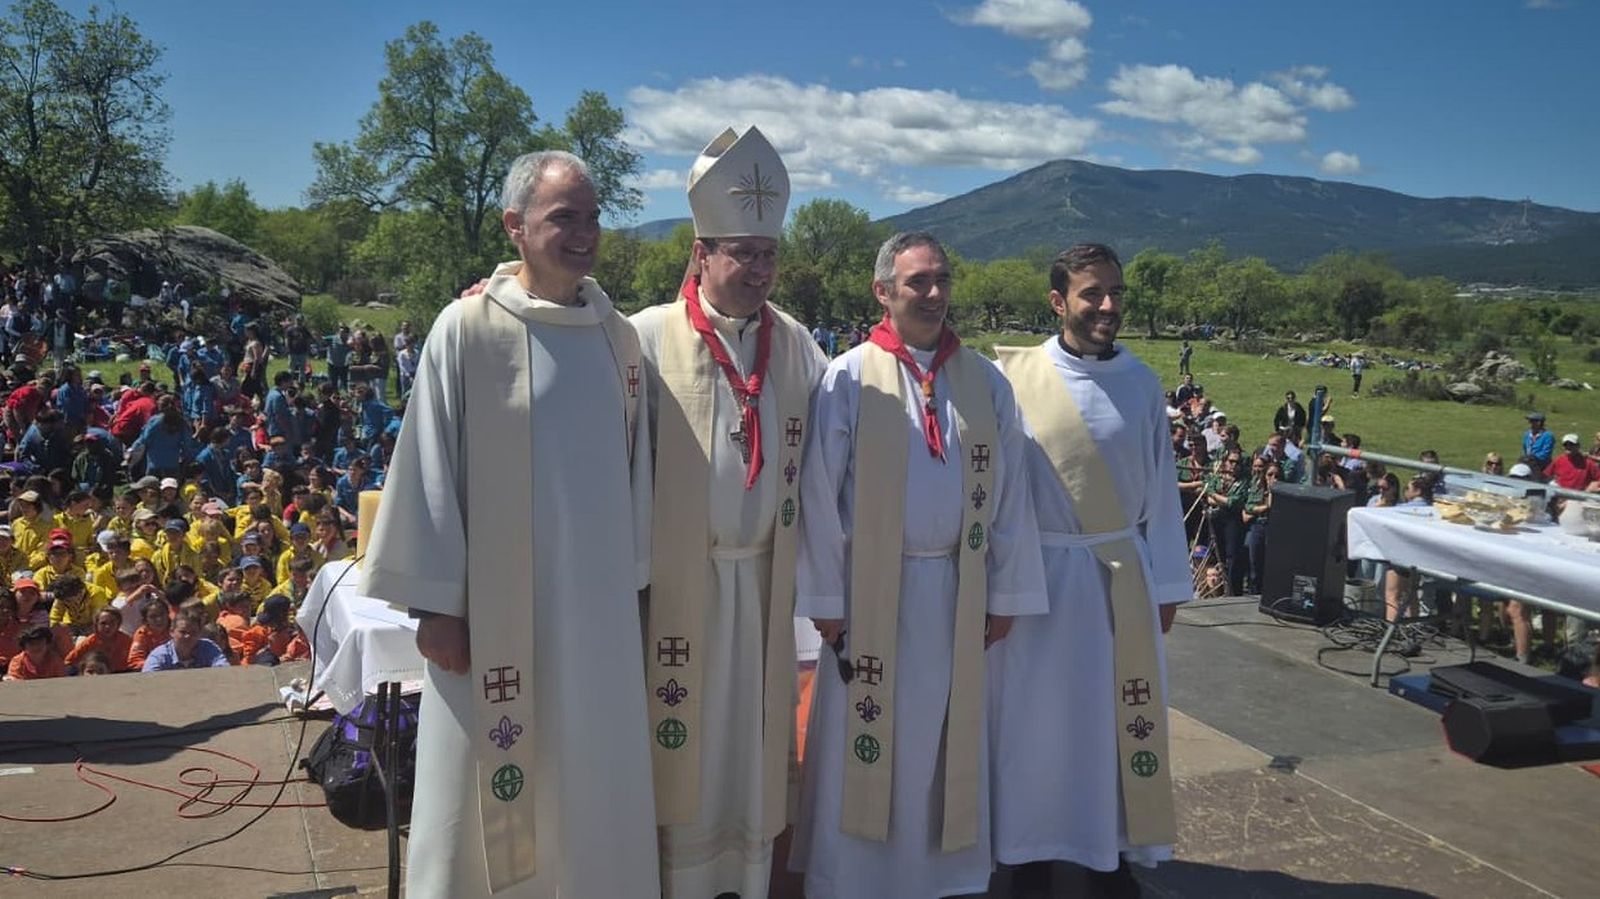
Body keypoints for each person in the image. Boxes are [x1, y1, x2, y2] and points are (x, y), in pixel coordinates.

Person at [359, 150, 658, 897]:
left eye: (592, 216)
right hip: (490, 625)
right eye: (565, 217)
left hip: (595, 624)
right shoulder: (467, 330)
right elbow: (427, 465)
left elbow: (636, 476)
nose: (584, 232)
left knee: (589, 790)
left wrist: (636, 587)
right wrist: (435, 607)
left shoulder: (618, 339)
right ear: (515, 226)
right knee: (486, 794)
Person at [790, 232, 1048, 898]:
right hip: (874, 595)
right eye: (917, 283)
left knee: (943, 740)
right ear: (883, 291)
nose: (934, 294)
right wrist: (827, 599)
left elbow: (1012, 494)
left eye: (941, 280)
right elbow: (819, 492)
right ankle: (854, 878)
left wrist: (1005, 592)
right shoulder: (849, 377)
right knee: (869, 741)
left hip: (958, 594)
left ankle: (942, 877)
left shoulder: (986, 381)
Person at [628, 125, 827, 899]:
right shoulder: (643, 337)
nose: (757, 269)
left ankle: (744, 883)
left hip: (764, 585)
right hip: (677, 589)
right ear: (701, 252)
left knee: (750, 750)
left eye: (768, 254)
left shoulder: (798, 344)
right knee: (681, 747)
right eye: (741, 252)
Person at [990, 243, 1191, 896]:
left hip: (1118, 582)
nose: (1108, 306)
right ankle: (1028, 850)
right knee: (1034, 727)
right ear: (1057, 302)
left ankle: (1111, 847)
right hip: (1039, 578)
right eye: (1091, 293)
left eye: (1116, 292)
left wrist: (1166, 585)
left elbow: (1163, 493)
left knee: (1112, 724)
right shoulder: (1015, 377)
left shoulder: (1141, 381)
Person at [140, 605, 230, 671]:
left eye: (193, 632)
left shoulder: (209, 648)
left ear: (200, 633)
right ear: (171, 632)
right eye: (183, 632)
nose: (188, 636)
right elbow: (148, 682)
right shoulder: (159, 656)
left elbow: (224, 671)